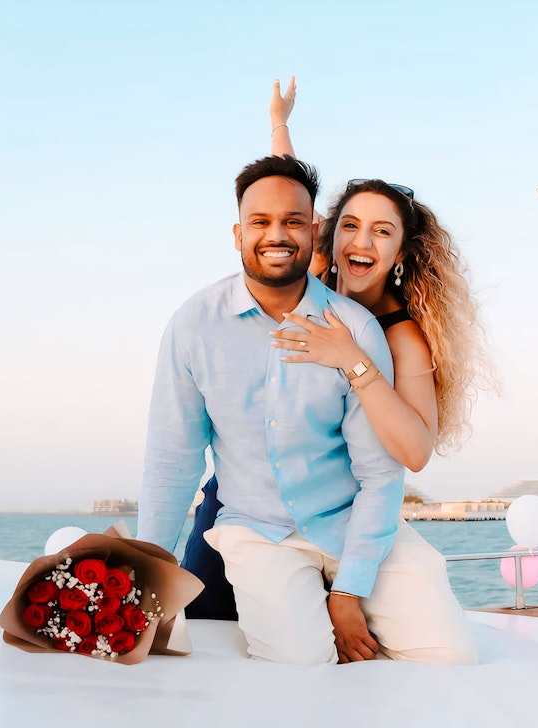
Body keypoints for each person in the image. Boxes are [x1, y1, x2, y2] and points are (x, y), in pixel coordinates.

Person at [139, 155, 476, 665]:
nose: (277, 233)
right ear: (237, 234)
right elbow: (172, 462)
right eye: (260, 222)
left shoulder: (363, 330)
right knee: (300, 662)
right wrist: (147, 576)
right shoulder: (193, 326)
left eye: (293, 222)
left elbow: (383, 472)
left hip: (351, 521)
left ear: (312, 232)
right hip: (257, 527)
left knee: (448, 654)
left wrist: (349, 590)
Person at [180, 78, 490, 621]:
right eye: (349, 226)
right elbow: (283, 195)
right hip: (249, 495)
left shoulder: (400, 335)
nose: (360, 244)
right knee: (200, 616)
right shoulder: (315, 272)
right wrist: (280, 121)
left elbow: (415, 451)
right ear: (328, 232)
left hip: (340, 511)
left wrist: (353, 359)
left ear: (399, 252)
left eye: (381, 233)